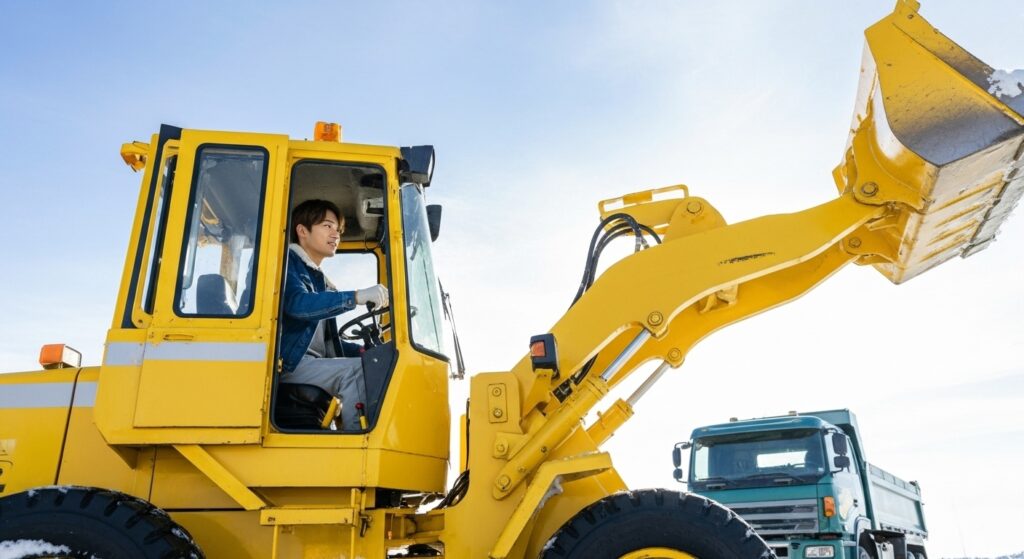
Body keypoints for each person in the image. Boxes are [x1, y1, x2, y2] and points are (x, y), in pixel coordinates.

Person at [279, 199, 388, 430]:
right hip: (287, 365)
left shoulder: (322, 281)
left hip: (309, 364)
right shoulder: (285, 263)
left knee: (365, 364)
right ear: (302, 231)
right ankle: (360, 442)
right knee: (354, 372)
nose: (335, 234)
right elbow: (297, 304)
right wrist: (356, 297)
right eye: (327, 226)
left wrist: (364, 352)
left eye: (338, 230)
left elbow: (327, 345)